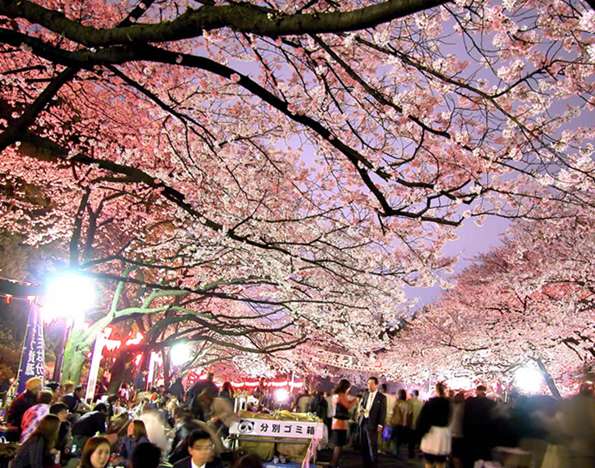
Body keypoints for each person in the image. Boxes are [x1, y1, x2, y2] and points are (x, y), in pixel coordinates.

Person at [417, 382, 451, 468]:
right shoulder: (450, 403)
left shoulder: (431, 402)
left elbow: (422, 419)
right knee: (441, 462)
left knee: (429, 462)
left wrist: (420, 433)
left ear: (436, 390)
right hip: (444, 433)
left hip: (431, 433)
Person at [462, 384, 496, 467]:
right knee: (482, 458)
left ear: (477, 391)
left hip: (470, 433)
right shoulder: (491, 403)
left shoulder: (470, 401)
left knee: (470, 459)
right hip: (485, 435)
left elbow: (464, 417)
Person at [358, 376, 387, 468]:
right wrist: (361, 409)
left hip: (373, 424)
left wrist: (380, 425)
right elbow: (362, 405)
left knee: (372, 445)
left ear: (376, 385)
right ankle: (365, 463)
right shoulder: (365, 394)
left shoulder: (381, 397)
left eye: (371, 384)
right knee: (363, 444)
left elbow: (383, 412)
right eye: (368, 383)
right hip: (364, 422)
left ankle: (373, 464)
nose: (369, 386)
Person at [329, 379, 357, 468]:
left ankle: (334, 463)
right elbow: (347, 406)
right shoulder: (341, 395)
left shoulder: (335, 395)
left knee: (338, 444)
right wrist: (355, 400)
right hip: (340, 423)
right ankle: (334, 464)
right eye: (349, 388)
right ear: (346, 387)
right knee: (339, 445)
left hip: (335, 422)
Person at [391, 389, 412, 457]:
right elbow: (410, 415)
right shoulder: (408, 404)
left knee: (395, 437)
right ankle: (398, 450)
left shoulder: (396, 403)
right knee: (400, 438)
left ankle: (395, 451)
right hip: (404, 424)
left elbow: (392, 412)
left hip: (397, 423)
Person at [449, 391, 465, 468]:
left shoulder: (461, 406)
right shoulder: (461, 406)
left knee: (455, 457)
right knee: (454, 456)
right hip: (455, 434)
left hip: (456, 435)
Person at [408, 389, 424, 457]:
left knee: (411, 440)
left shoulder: (410, 401)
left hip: (412, 423)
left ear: (414, 394)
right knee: (419, 439)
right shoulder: (421, 402)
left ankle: (411, 453)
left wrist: (408, 423)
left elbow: (410, 413)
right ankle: (420, 452)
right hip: (420, 424)